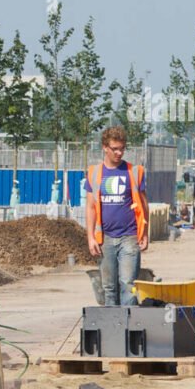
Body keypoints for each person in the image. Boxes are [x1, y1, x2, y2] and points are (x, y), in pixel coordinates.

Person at [85, 126, 149, 306]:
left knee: (128, 285)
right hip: (105, 238)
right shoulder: (95, 173)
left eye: (122, 148)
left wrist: (144, 233)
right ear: (105, 147)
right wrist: (90, 237)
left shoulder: (134, 172)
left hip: (129, 236)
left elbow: (144, 205)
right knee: (108, 287)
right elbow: (90, 207)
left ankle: (128, 329)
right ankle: (113, 329)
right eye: (115, 149)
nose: (119, 152)